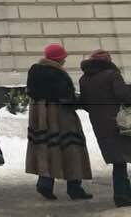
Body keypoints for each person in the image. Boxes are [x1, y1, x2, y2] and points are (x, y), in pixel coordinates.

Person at [26, 43, 93, 200]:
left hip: (41, 117)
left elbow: (31, 92)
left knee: (47, 147)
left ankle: (44, 183)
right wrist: (82, 102)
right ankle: (75, 188)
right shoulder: (57, 74)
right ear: (58, 58)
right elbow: (66, 98)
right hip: (61, 116)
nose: (64, 60)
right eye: (63, 58)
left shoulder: (35, 71)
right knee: (72, 147)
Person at [80, 48, 131, 207]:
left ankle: (122, 195)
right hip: (120, 123)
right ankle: (123, 195)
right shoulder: (112, 75)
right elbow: (124, 96)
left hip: (100, 124)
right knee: (124, 157)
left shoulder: (84, 79)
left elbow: (84, 102)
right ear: (108, 61)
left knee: (118, 160)